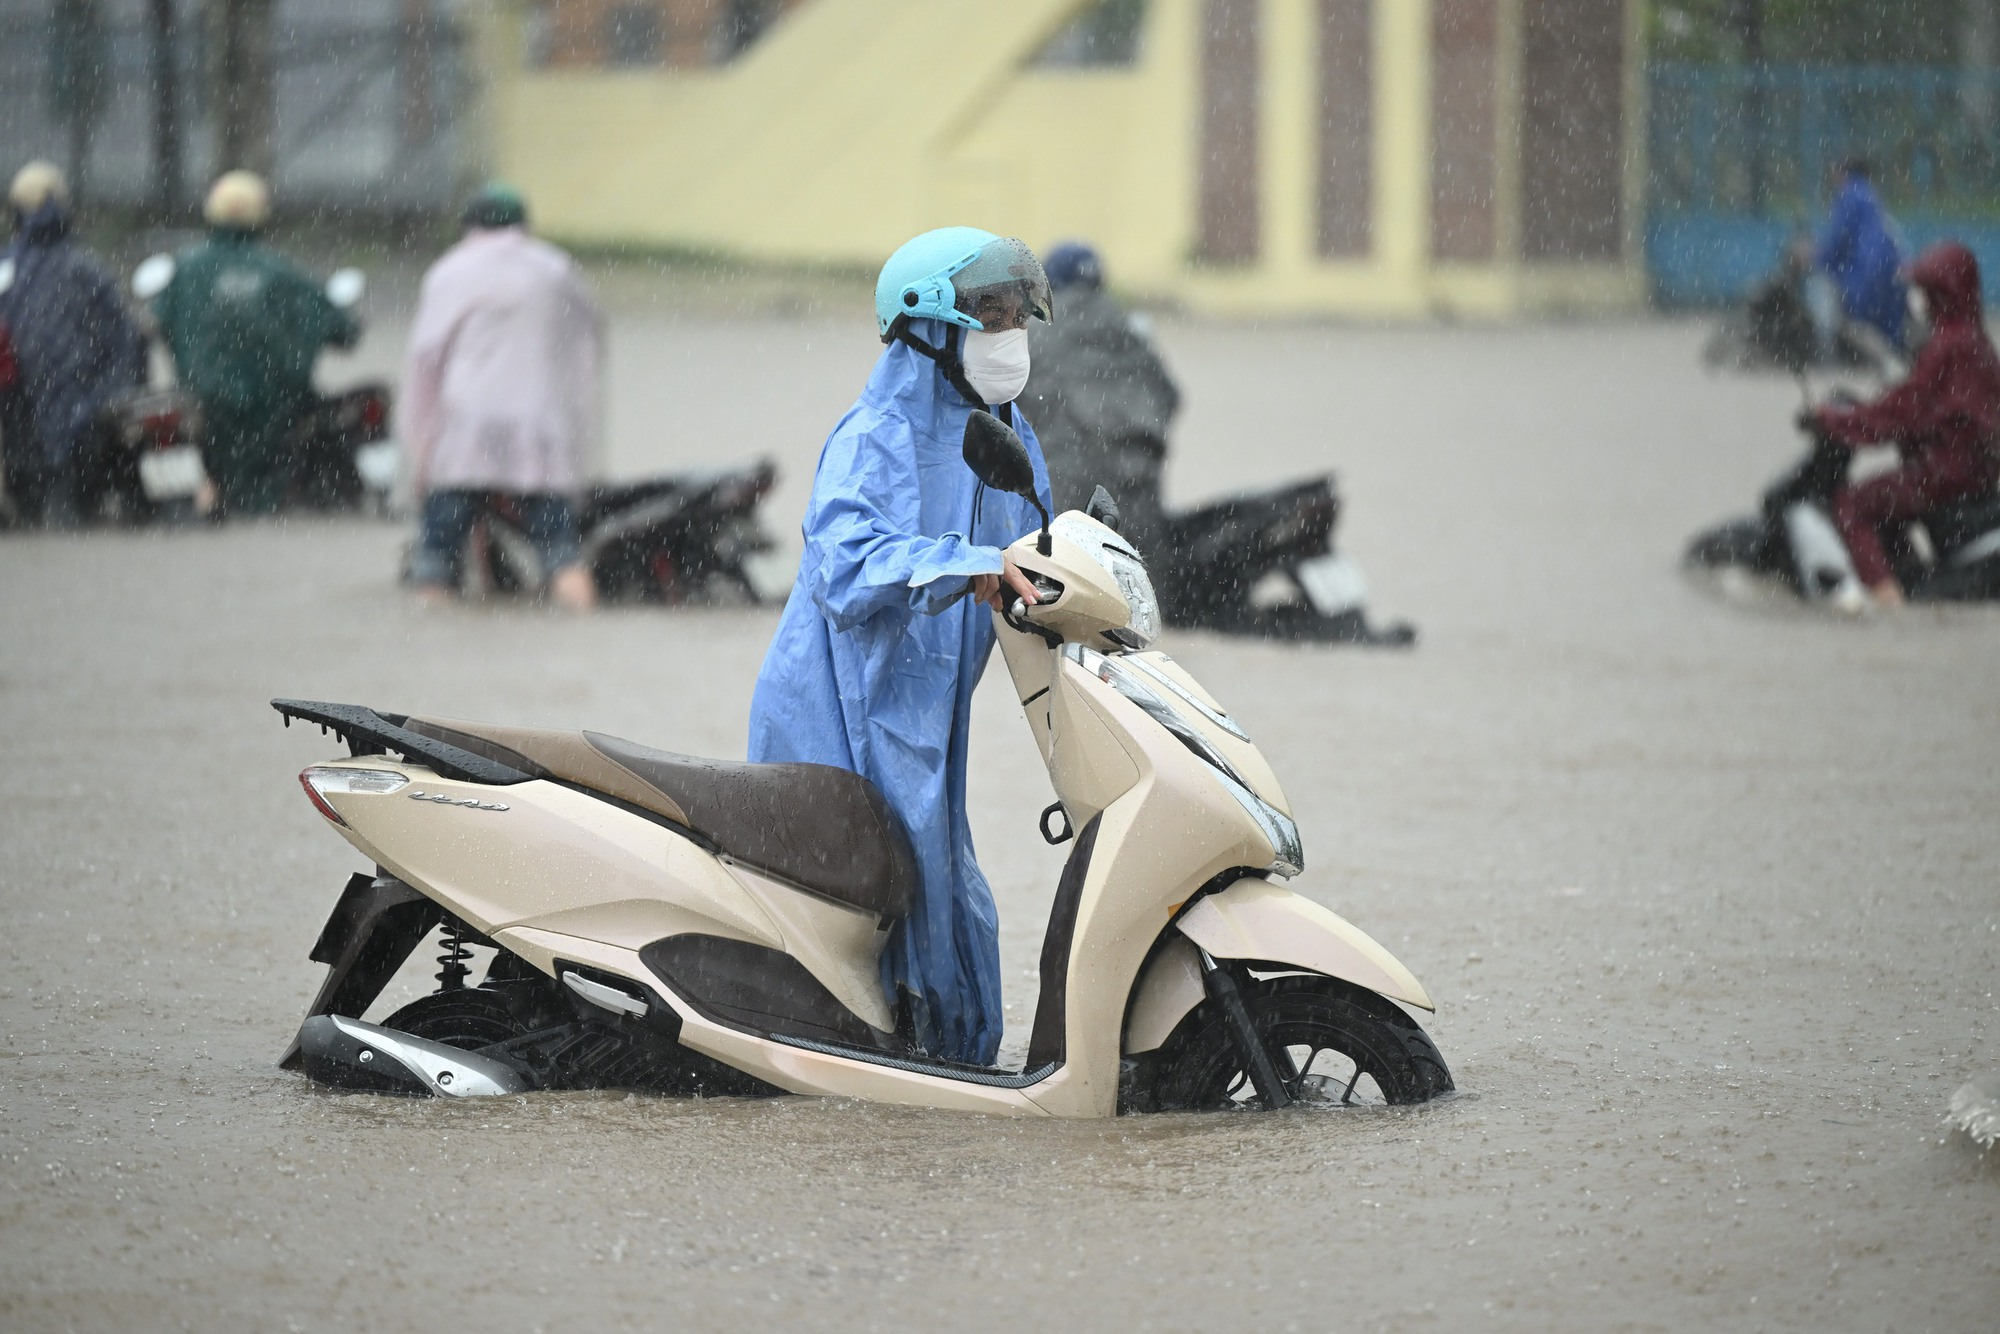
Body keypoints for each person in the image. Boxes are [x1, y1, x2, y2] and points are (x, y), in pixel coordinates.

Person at [747, 227, 1054, 1066]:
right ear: (930, 326)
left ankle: (946, 1076)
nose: (1008, 331)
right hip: (840, 720)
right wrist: (966, 563)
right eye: (989, 311)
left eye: (1018, 312)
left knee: (953, 914)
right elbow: (848, 568)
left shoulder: (1003, 431)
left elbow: (1042, 547)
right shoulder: (875, 434)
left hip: (926, 726)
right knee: (866, 919)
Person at [400, 184, 602, 609]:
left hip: (465, 428)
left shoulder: (449, 272)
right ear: (523, 225)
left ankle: (428, 620)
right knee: (560, 548)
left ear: (469, 225)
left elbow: (424, 364)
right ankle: (583, 625)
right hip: (538, 427)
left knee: (437, 554)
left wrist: (422, 453)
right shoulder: (555, 271)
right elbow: (587, 345)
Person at [153, 170, 356, 517]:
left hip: (205, 404)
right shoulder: (282, 272)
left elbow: (159, 324)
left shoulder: (184, 271)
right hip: (273, 411)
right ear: (260, 215)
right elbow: (340, 327)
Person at [1810, 240, 2000, 607]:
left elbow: (1899, 414)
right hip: (1977, 473)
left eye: (1924, 290)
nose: (1918, 300)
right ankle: (1906, 575)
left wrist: (1833, 420)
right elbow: (1925, 410)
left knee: (1851, 506)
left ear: (1941, 293)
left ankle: (1887, 604)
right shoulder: (1979, 345)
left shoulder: (1948, 347)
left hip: (1944, 473)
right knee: (1887, 507)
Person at [0, 160, 146, 526]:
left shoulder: (9, 267)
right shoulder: (88, 269)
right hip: (83, 410)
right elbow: (127, 338)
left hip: (26, 413)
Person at [1021, 240, 1177, 561]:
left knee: (1066, 595)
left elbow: (1006, 407)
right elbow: (1169, 395)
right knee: (1140, 592)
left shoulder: (1035, 335)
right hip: (1136, 490)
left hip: (1065, 492)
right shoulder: (1130, 329)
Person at [1805, 157, 1906, 356]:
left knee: (1820, 288)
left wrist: (1813, 256)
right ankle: (1894, 356)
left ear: (1843, 173)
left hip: (1863, 271)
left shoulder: (1848, 196)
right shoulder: (1872, 196)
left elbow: (1838, 243)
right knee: (1888, 328)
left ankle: (1825, 353)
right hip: (1892, 269)